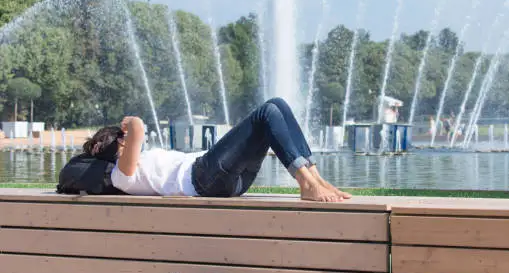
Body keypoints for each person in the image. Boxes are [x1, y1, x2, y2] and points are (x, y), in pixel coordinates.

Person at [83, 97, 351, 203]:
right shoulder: (120, 174)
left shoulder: (133, 167)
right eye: (123, 139)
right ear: (119, 143)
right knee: (266, 112)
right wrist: (132, 124)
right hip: (204, 178)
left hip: (226, 180)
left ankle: (316, 179)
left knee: (277, 106)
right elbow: (138, 129)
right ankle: (305, 183)